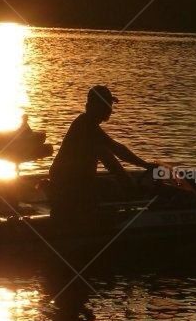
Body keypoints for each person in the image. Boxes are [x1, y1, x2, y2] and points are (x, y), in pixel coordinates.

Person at [47, 86, 154, 223]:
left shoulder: (89, 125)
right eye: (104, 104)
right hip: (70, 187)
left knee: (111, 178)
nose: (109, 108)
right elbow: (116, 151)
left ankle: (128, 192)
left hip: (77, 183)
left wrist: (143, 166)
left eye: (109, 104)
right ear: (90, 106)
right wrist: (144, 166)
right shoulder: (85, 126)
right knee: (112, 186)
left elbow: (115, 149)